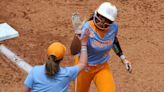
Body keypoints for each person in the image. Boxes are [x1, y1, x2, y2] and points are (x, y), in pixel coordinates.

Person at [70, 2, 132, 92]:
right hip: (83, 68)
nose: (102, 21)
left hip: (102, 67)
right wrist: (78, 34)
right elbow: (73, 51)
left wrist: (123, 58)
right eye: (101, 16)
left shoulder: (114, 27)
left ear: (111, 22)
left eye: (106, 19)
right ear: (97, 14)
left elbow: (113, 40)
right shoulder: (86, 28)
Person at [22, 30, 90, 92]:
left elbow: (25, 91)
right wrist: (84, 43)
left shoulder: (35, 71)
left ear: (47, 56)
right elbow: (83, 64)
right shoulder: (67, 73)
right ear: (62, 58)